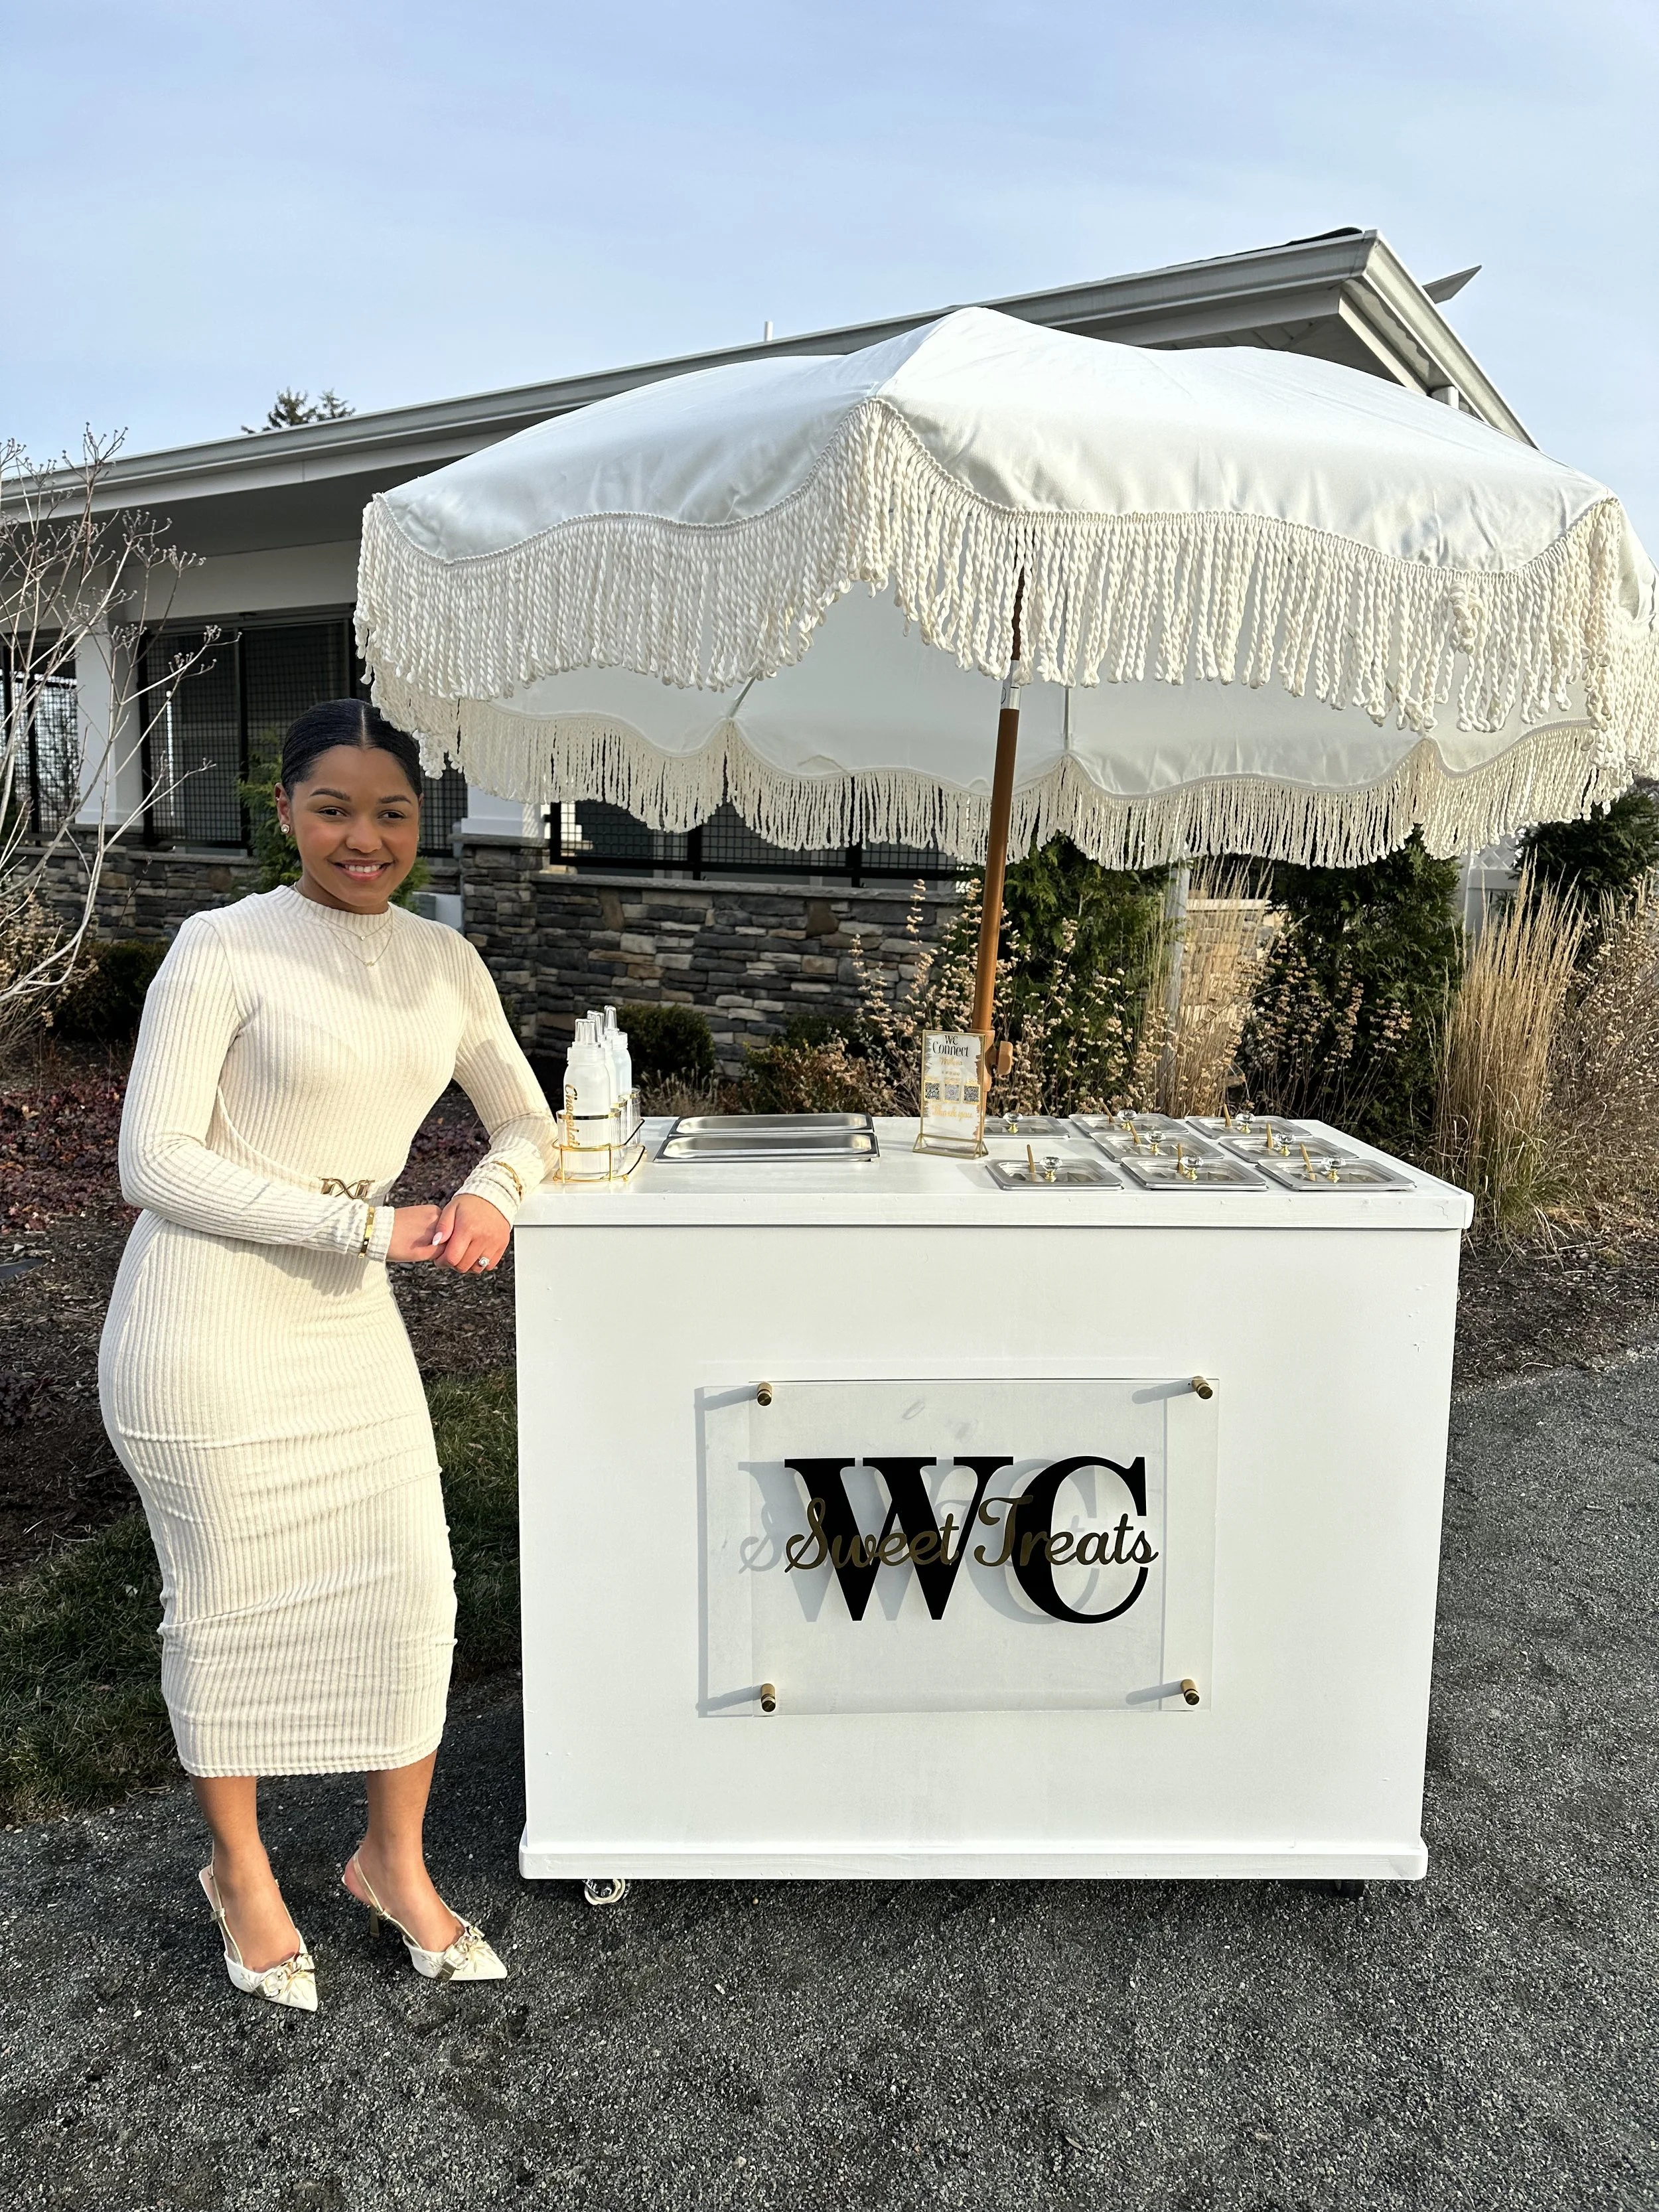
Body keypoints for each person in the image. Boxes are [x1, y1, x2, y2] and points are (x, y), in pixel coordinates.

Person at [99, 699, 557, 2010]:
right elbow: (155, 1160)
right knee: (230, 1605)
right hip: (205, 1333)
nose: (366, 837)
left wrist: (495, 1193)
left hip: (348, 1326)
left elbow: (525, 1114)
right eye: (335, 808)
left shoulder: (442, 962)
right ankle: (240, 1872)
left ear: (424, 823)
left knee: (413, 1592)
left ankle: (386, 1861)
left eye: (394, 811)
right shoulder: (222, 946)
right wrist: (362, 1221)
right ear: (287, 811)